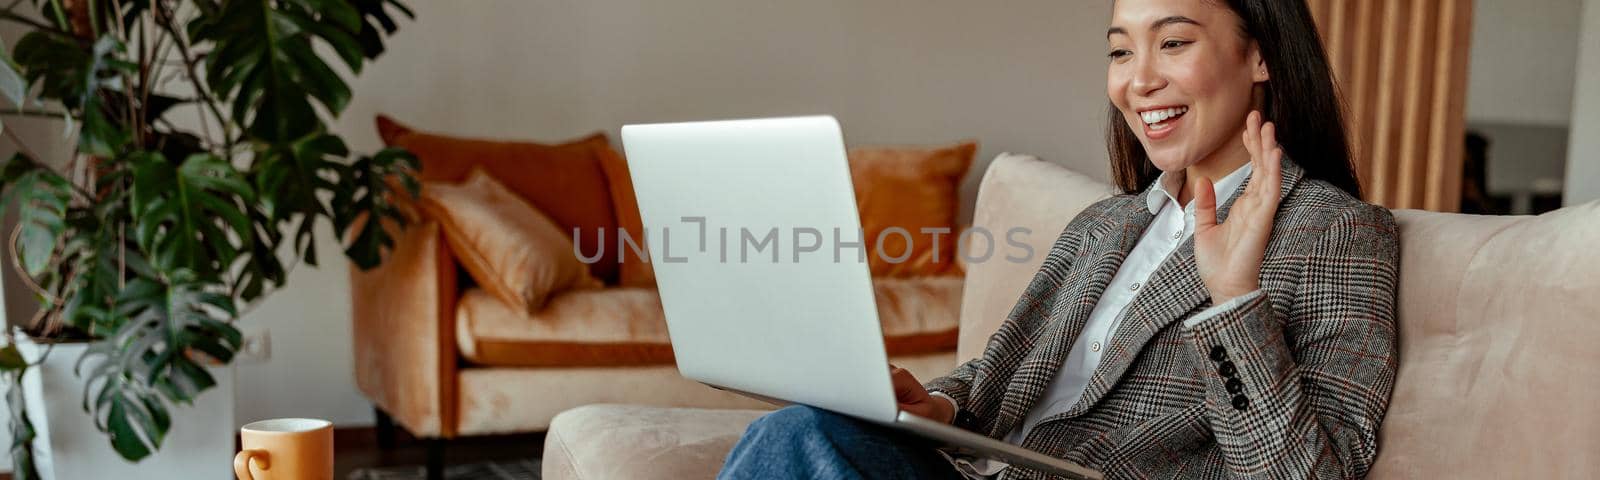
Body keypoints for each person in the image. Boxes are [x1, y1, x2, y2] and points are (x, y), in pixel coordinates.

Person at [719, 0, 1400, 478]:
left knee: (795, 442)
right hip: (975, 470)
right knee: (798, 433)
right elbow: (1005, 373)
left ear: (1260, 55)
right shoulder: (1108, 224)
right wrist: (942, 403)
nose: (1138, 81)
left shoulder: (1334, 232)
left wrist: (1232, 301)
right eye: (1119, 50)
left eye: (1173, 43)